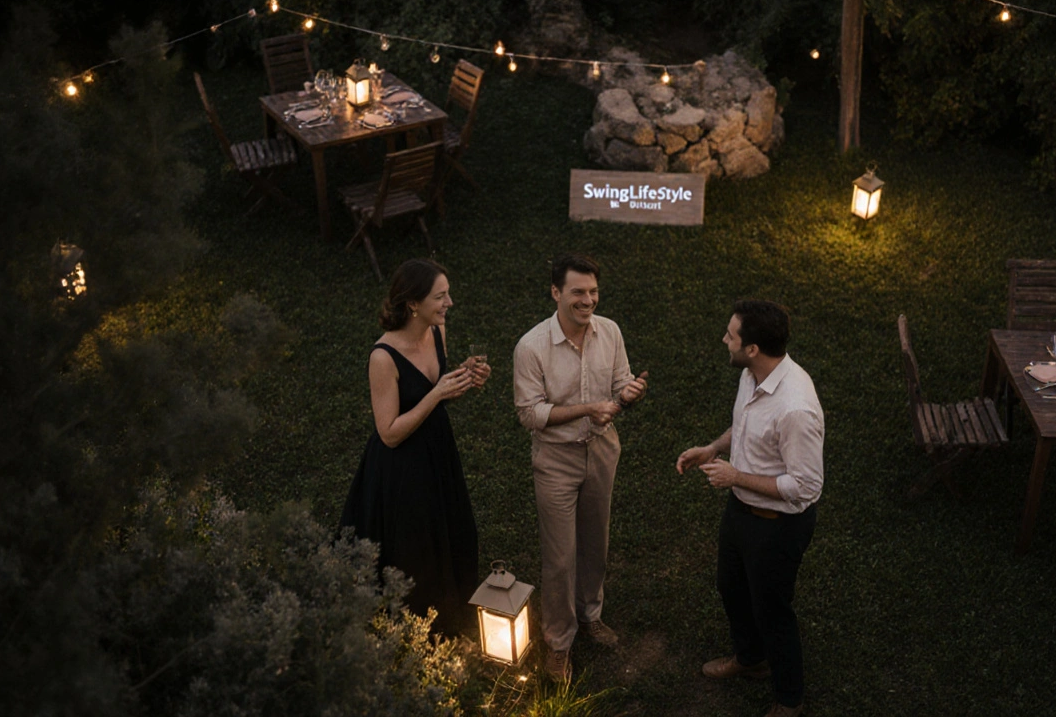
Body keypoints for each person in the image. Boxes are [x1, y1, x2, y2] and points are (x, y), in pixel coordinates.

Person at [675, 300, 824, 717]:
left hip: (778, 525)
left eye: (731, 335)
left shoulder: (795, 408)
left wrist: (736, 477)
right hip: (741, 511)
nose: (725, 339)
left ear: (753, 348)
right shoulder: (751, 374)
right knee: (731, 587)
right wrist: (713, 449)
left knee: (772, 610)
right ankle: (750, 659)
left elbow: (805, 486)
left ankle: (789, 699)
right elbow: (743, 426)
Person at [513, 253, 648, 681]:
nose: (587, 300)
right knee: (559, 555)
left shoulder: (610, 331)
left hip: (602, 451)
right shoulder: (531, 346)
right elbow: (529, 414)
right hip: (556, 459)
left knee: (596, 539)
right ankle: (558, 641)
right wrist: (589, 408)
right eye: (577, 292)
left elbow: (619, 383)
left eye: (592, 292)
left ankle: (590, 613)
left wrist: (629, 393)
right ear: (556, 293)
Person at [340, 258, 491, 637]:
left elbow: (434, 394)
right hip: (401, 465)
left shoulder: (436, 331)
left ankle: (450, 612)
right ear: (413, 304)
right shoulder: (382, 357)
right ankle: (416, 629)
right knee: (415, 548)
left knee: (450, 529)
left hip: (437, 449)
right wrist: (438, 393)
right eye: (440, 296)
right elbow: (389, 432)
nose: (449, 303)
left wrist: (461, 378)